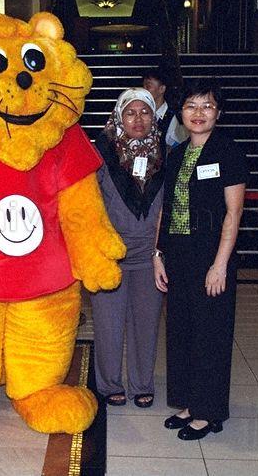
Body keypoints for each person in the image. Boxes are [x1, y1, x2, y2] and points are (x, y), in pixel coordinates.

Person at [153, 79, 248, 440]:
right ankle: (191, 402)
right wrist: (157, 254)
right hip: (177, 254)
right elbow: (167, 206)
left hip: (210, 255)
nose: (198, 113)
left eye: (206, 106)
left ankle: (209, 412)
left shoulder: (228, 151)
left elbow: (233, 213)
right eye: (191, 105)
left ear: (218, 113)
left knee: (210, 333)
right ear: (181, 111)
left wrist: (220, 263)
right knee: (182, 332)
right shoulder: (176, 153)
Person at [91, 88, 166, 409]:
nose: (138, 119)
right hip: (111, 256)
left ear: (154, 116)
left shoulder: (167, 155)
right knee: (108, 325)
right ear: (119, 116)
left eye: (145, 112)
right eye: (130, 112)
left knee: (146, 325)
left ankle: (142, 384)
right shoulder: (100, 154)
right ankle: (108, 384)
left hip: (151, 257)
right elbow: (87, 204)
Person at [143, 67, 187, 148]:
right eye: (143, 86)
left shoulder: (173, 117)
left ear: (162, 89)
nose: (144, 90)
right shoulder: (141, 112)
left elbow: (179, 146)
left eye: (148, 86)